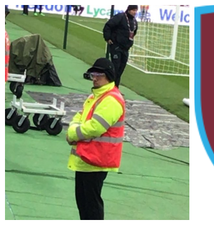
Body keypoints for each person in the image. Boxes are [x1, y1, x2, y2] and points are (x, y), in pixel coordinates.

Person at [66, 57, 126, 220]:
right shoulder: (97, 96)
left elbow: (95, 127)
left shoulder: (111, 99)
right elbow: (80, 115)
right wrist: (74, 128)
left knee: (91, 207)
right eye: (93, 74)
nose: (94, 77)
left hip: (96, 160)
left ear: (108, 75)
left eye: (98, 74)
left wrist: (72, 133)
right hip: (87, 159)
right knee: (84, 204)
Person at [103, 5, 138, 89]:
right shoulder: (120, 17)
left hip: (126, 48)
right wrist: (108, 38)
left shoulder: (134, 21)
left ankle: (116, 88)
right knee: (115, 67)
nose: (135, 12)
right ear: (129, 10)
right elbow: (108, 25)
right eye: (133, 10)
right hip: (116, 46)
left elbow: (133, 32)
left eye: (136, 10)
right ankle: (109, 87)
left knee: (121, 69)